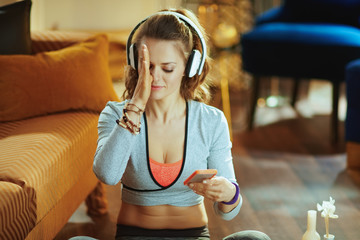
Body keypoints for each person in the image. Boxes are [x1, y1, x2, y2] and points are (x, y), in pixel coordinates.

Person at [93, 8, 271, 240]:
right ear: (134, 62)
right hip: (134, 235)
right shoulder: (116, 114)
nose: (154, 77)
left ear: (190, 67)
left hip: (193, 235)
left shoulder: (211, 121)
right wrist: (136, 105)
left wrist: (228, 192)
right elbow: (107, 174)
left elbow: (227, 212)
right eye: (147, 66)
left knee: (255, 239)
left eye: (167, 68)